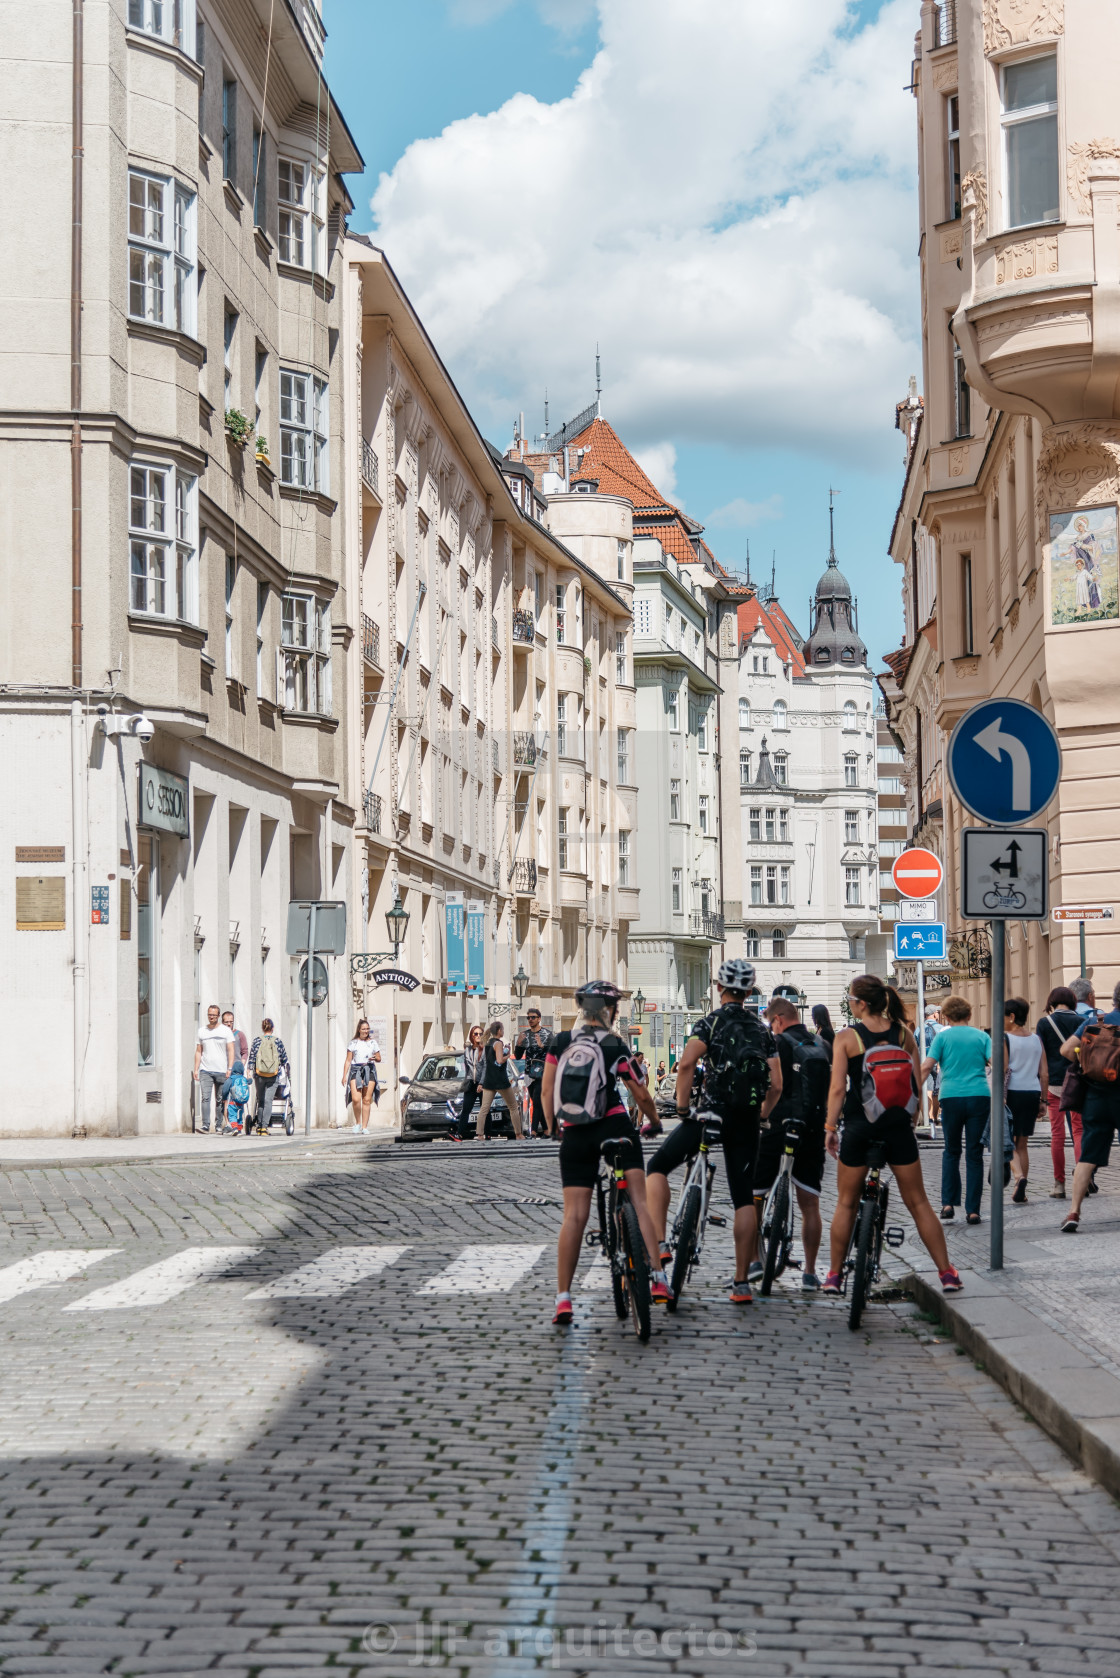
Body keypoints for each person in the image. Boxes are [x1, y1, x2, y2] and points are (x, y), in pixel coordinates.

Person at [646, 959, 782, 1305]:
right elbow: (777, 1085)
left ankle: (661, 1243)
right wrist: (762, 1115)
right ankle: (740, 1283)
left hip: (708, 1115)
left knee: (658, 1167)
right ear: (749, 992)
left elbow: (688, 1064)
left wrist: (680, 1108)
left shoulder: (709, 1023)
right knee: (742, 1198)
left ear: (719, 989)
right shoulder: (763, 1030)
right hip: (746, 1120)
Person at [824, 975, 960, 1294]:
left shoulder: (847, 1038)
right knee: (918, 1203)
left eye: (850, 999)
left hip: (859, 1127)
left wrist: (830, 1128)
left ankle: (833, 1276)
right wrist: (910, 1123)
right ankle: (947, 1273)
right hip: (897, 1127)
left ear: (860, 1003)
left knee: (845, 1203)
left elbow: (836, 1090)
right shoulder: (903, 1034)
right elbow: (915, 1084)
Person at [542, 979, 666, 1324]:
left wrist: (554, 1126)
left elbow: (547, 1089)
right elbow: (640, 1093)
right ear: (610, 1010)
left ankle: (564, 1298)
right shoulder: (615, 1044)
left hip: (576, 1132)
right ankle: (657, 1278)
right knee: (640, 1202)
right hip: (614, 1125)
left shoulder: (561, 1041)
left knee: (574, 1216)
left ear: (583, 1009)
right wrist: (653, 1121)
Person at [751, 997, 830, 1291]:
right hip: (812, 1128)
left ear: (778, 1020)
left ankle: (754, 1260)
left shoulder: (777, 1043)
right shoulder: (823, 1045)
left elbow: (770, 1084)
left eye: (771, 1023)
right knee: (810, 1203)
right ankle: (809, 1272)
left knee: (756, 1195)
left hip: (778, 1124)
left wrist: (760, 1114)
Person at [921, 994, 992, 1225]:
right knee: (975, 1153)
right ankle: (973, 1210)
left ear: (947, 1016)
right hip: (979, 1096)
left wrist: (912, 1092)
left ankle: (948, 1204)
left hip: (951, 1096)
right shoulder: (982, 1037)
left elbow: (927, 1066)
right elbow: (998, 1063)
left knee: (951, 1151)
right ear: (969, 1014)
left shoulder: (943, 1038)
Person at [1058, 979, 1120, 1233]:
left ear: (1114, 998)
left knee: (1087, 1158)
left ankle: (1074, 1211)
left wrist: (1083, 1055)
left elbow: (1065, 1051)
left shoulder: (1096, 1023)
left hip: (1096, 1097)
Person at [1037, 986, 1084, 1198]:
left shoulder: (1044, 1023)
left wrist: (1041, 1090)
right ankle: (1084, 1180)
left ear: (1052, 1002)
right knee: (1079, 1131)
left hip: (1054, 1085)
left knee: (1057, 1135)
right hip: (1078, 1083)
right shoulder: (1083, 1022)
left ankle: (1059, 1185)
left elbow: (1041, 1057)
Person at [1004, 997, 1048, 1204]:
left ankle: (1018, 1177)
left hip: (1011, 1093)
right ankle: (1022, 1187)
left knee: (1006, 1141)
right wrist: (1044, 1100)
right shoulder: (1036, 1039)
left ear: (1012, 1017)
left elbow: (1002, 1069)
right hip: (1032, 1092)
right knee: (1022, 1143)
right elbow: (1045, 1073)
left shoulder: (1005, 1039)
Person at [476, 1021, 522, 1140]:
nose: (503, 1031)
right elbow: (500, 1061)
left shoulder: (488, 1043)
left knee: (484, 1109)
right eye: (502, 1029)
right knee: (513, 1107)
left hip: (489, 1081)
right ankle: (518, 1134)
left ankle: (480, 1134)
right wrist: (508, 1055)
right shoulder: (498, 1043)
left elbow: (492, 1061)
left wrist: (504, 1052)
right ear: (499, 1031)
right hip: (501, 1080)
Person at [193, 1004, 235, 1134]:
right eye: (209, 1014)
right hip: (205, 1069)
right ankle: (205, 1125)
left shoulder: (225, 1031)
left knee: (219, 1099)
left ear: (218, 1016)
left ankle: (218, 1125)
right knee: (205, 1097)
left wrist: (229, 1068)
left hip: (221, 1070)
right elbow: (199, 1051)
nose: (211, 1017)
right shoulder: (202, 1031)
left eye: (213, 1015)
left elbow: (231, 1050)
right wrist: (196, 1069)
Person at [246, 1018, 290, 1133]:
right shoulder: (278, 1041)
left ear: (262, 1028)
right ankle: (264, 1127)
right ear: (273, 1028)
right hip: (273, 1075)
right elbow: (284, 1059)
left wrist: (249, 1070)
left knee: (260, 1100)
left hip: (259, 1075)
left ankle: (259, 1126)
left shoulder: (256, 1041)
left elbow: (252, 1057)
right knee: (268, 1101)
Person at [514, 1009, 551, 1137]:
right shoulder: (524, 1034)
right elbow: (518, 1057)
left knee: (536, 1101)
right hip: (529, 1074)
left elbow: (557, 1052)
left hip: (544, 1073)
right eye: (528, 1018)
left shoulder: (548, 1034)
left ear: (539, 1019)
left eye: (533, 1017)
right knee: (537, 1102)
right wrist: (518, 1044)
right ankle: (546, 1130)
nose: (530, 1020)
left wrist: (543, 1046)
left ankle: (533, 1131)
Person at [342, 1018, 381, 1133]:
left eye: (367, 1029)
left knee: (367, 1099)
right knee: (355, 1098)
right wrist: (344, 1075)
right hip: (356, 1070)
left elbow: (379, 1058)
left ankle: (364, 1126)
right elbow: (348, 1060)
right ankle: (358, 1122)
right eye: (364, 1029)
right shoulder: (353, 1043)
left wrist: (375, 1058)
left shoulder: (373, 1043)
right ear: (359, 1030)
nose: (366, 1031)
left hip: (369, 1069)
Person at [922, 1005, 944, 1128]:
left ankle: (928, 1117)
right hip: (937, 1063)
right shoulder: (940, 1028)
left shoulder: (919, 1028)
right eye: (937, 1012)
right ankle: (935, 1118)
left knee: (928, 1090)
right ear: (934, 1014)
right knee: (936, 1091)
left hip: (924, 1062)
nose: (938, 1014)